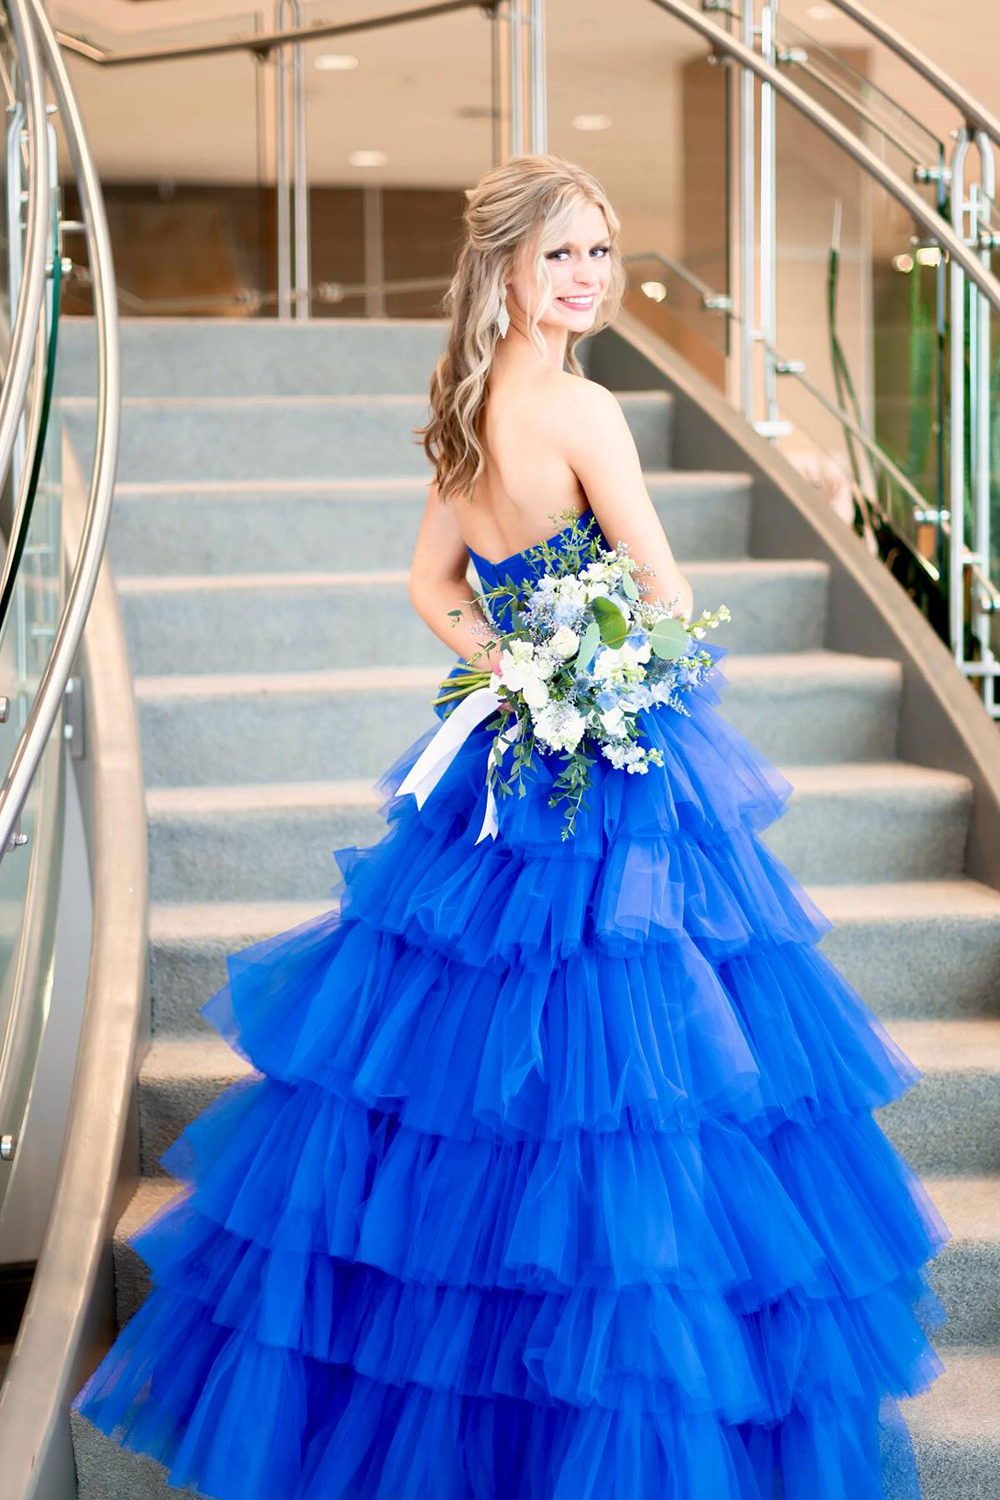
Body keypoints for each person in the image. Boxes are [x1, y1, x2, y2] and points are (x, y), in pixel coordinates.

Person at [74, 152, 951, 1500]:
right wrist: (588, 677)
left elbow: (428, 581)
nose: (590, 280)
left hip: (504, 759)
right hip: (602, 765)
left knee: (476, 1070)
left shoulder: (472, 406)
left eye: (603, 253)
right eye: (565, 257)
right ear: (506, 269)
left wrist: (512, 670)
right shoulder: (585, 411)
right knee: (630, 1077)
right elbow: (661, 588)